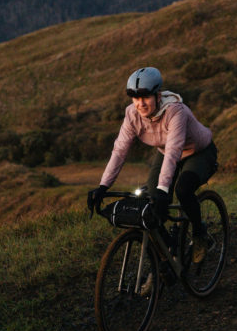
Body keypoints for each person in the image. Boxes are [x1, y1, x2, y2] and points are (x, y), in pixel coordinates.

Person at [87, 67, 218, 263]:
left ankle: (200, 235)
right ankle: (168, 255)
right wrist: (103, 186)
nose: (140, 103)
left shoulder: (175, 112)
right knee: (149, 201)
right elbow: (120, 150)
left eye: (145, 97)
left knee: (182, 190)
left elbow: (174, 151)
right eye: (135, 98)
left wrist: (163, 190)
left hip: (198, 152)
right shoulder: (132, 115)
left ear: (157, 95)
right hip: (165, 153)